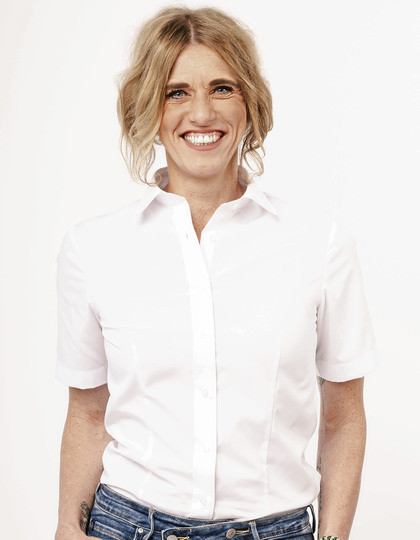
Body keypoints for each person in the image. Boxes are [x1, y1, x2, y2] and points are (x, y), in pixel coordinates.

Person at [54, 6, 379, 540]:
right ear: (149, 109)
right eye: (176, 92)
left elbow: (343, 415)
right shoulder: (92, 248)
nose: (201, 113)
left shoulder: (320, 244)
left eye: (222, 88)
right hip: (125, 525)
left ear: (250, 102)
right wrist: (68, 525)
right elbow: (88, 414)